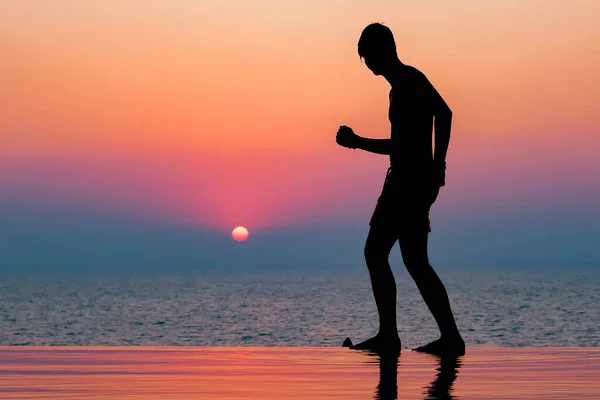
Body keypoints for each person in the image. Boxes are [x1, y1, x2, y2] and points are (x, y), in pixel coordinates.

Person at [336, 23, 465, 356]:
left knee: (375, 252)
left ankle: (390, 336)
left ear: (383, 50)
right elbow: (443, 113)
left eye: (368, 55)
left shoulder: (408, 82)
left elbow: (406, 142)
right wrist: (437, 167)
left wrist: (356, 142)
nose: (367, 63)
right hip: (414, 180)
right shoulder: (404, 84)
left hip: (407, 183)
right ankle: (448, 337)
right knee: (415, 260)